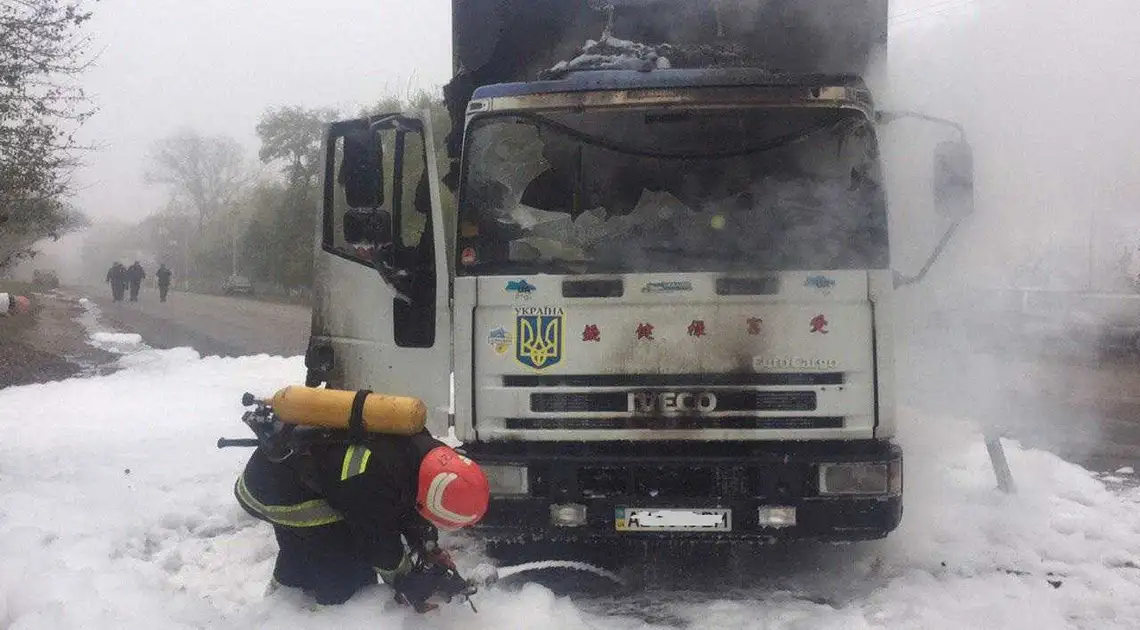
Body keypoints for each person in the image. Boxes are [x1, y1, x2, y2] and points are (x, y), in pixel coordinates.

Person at [234, 429, 490, 610]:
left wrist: (426, 545)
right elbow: (380, 545)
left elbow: (403, 504)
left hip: (290, 474)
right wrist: (409, 582)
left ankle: (279, 603)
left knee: (303, 550)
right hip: (273, 491)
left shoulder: (426, 454)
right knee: (350, 579)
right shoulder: (369, 481)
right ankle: (326, 616)